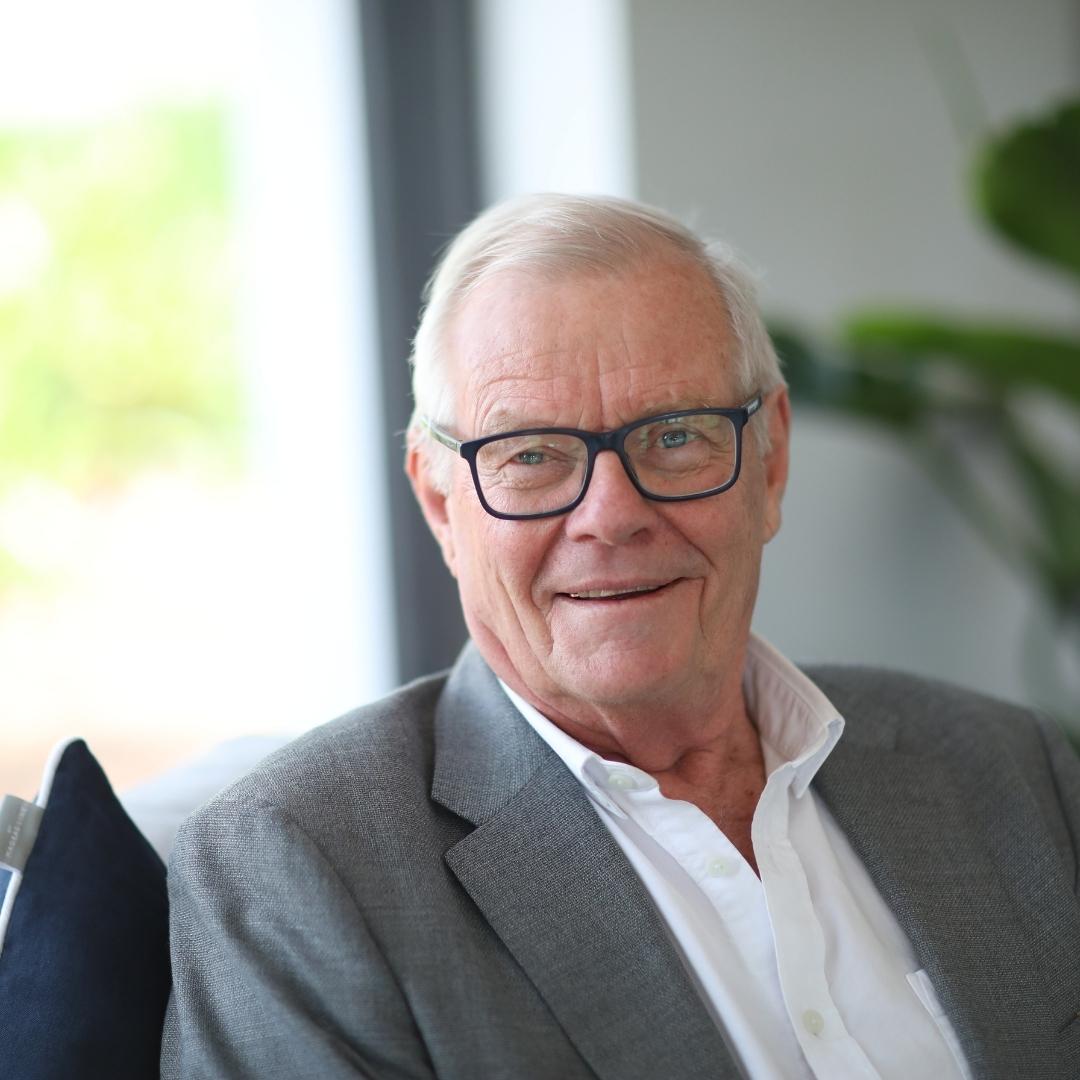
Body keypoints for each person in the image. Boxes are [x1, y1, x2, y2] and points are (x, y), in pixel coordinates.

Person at [162, 194, 1080, 1080]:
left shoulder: (1013, 768)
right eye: (530, 455)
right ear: (441, 504)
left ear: (770, 464)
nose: (611, 514)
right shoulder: (298, 871)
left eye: (674, 437)